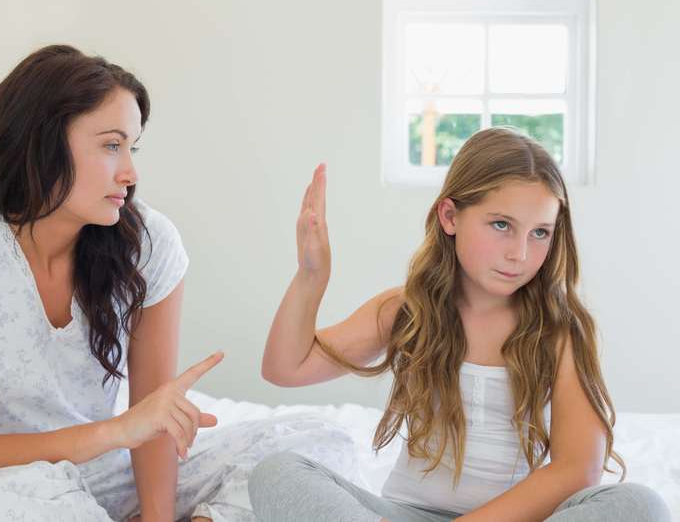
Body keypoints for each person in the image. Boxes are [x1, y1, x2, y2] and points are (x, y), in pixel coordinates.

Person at [0, 45, 353, 522]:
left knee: (317, 443)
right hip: (3, 480)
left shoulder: (147, 244)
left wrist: (156, 515)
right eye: (111, 146)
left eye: (132, 147)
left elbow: (155, 420)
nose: (130, 173)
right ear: (42, 143)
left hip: (111, 471)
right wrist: (118, 430)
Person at [248, 128, 671, 521]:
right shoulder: (406, 310)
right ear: (450, 217)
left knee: (640, 505)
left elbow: (577, 469)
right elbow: (286, 368)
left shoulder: (560, 332)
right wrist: (312, 276)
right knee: (278, 471)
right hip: (402, 514)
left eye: (540, 233)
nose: (520, 254)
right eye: (502, 225)